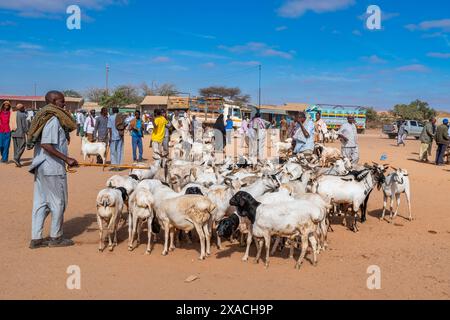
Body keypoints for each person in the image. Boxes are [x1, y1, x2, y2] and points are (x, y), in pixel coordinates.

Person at [28, 91, 78, 249]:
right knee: (58, 202)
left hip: (42, 166)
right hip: (52, 167)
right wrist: (67, 159)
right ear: (54, 101)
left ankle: (36, 238)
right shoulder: (53, 119)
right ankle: (56, 237)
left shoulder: (43, 117)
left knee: (41, 202)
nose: (64, 104)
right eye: (62, 101)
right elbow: (46, 145)